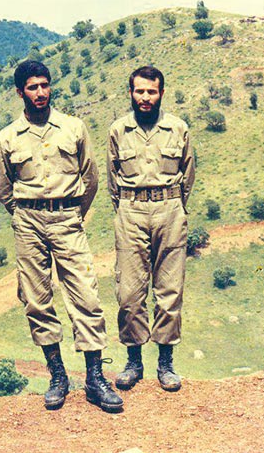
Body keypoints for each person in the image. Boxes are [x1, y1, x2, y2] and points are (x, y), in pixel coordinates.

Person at [0, 61, 122, 412]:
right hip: (28, 221)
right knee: (36, 299)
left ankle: (95, 378)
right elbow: (4, 189)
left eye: (45, 85)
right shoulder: (8, 137)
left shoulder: (73, 127)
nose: (40, 92)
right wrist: (26, 215)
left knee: (85, 294)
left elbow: (91, 177)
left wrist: (73, 212)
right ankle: (57, 376)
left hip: (67, 217)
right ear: (20, 92)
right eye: (32, 87)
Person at [107, 66, 195, 392]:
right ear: (131, 93)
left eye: (151, 92)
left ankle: (165, 362)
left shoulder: (178, 128)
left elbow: (188, 174)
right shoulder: (118, 130)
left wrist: (174, 206)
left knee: (169, 291)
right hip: (130, 212)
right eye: (140, 91)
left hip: (170, 210)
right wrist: (127, 208)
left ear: (161, 93)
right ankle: (133, 361)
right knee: (129, 293)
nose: (145, 98)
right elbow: (112, 178)